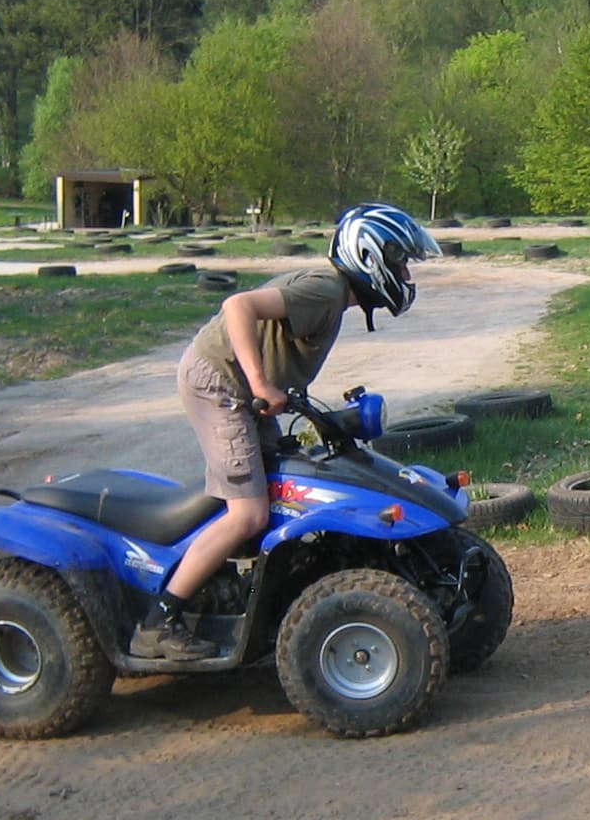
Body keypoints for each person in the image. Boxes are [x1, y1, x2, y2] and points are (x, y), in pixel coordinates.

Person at [132, 202, 441, 659]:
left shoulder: (334, 296)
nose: (406, 274)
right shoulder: (323, 290)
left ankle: (235, 591)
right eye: (401, 262)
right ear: (371, 256)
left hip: (242, 387)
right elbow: (237, 306)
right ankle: (161, 619)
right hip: (218, 380)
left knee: (282, 488)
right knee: (249, 513)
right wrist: (259, 382)